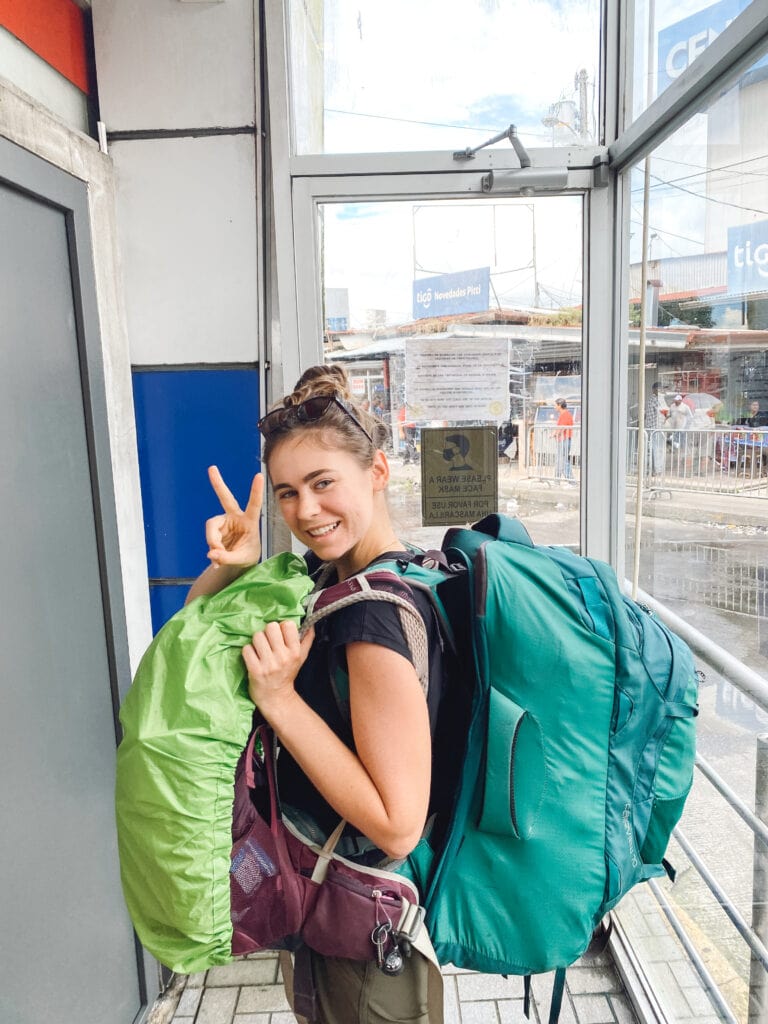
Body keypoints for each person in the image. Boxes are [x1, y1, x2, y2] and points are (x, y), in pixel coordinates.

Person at [187, 364, 447, 1024]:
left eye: (324, 483)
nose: (305, 510)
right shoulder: (341, 575)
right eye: (287, 492)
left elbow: (396, 821)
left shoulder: (371, 616)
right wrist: (230, 566)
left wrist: (279, 700)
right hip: (332, 911)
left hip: (366, 941)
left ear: (379, 472)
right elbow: (191, 633)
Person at [644, 382, 667, 476]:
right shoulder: (654, 400)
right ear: (653, 390)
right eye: (658, 389)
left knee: (656, 449)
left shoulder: (657, 399)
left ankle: (655, 469)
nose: (660, 391)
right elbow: (660, 413)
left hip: (655, 428)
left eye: (661, 389)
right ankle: (656, 470)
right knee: (656, 450)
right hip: (655, 428)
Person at [554, 397, 574, 482]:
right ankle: (557, 480)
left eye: (555, 405)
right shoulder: (564, 414)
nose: (554, 407)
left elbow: (562, 427)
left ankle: (571, 481)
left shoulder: (565, 414)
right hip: (563, 440)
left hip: (564, 440)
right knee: (560, 460)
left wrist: (554, 434)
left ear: (560, 405)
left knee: (564, 460)